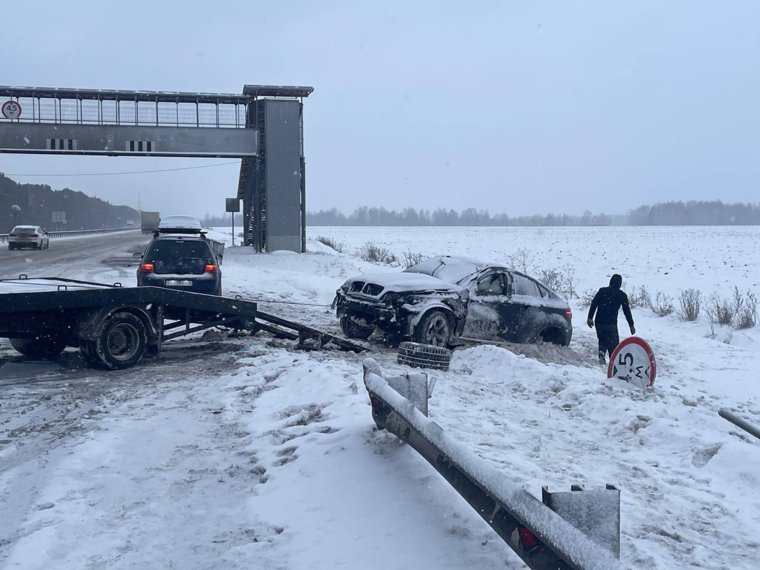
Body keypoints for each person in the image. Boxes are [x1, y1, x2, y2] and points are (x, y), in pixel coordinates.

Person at [587, 273, 635, 364]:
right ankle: (613, 361)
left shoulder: (602, 291)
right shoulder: (621, 295)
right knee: (613, 345)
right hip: (611, 323)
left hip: (599, 322)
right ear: (620, 284)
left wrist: (590, 318)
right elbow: (627, 312)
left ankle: (602, 352)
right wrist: (631, 325)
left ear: (610, 281)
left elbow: (594, 304)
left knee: (602, 339)